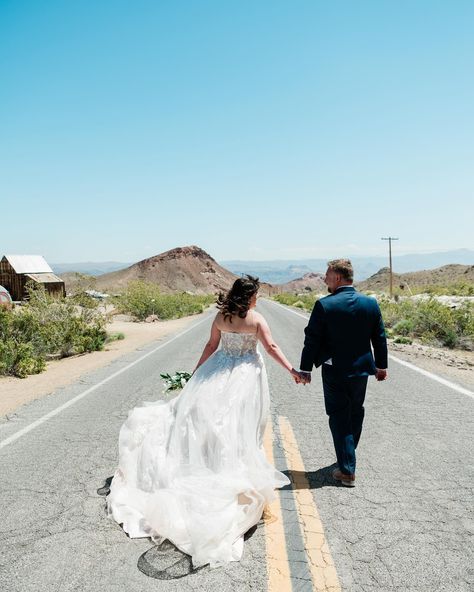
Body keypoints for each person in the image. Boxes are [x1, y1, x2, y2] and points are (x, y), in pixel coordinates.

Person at [106, 275, 299, 568]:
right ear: (250, 297)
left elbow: (211, 346)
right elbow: (270, 347)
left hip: (218, 371)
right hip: (246, 375)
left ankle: (211, 462)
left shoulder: (222, 316)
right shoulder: (256, 319)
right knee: (239, 425)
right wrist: (292, 370)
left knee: (211, 422)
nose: (257, 299)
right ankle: (231, 469)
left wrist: (196, 375)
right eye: (256, 295)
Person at [297, 259, 388, 487]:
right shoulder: (370, 304)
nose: (324, 279)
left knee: (338, 416)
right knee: (355, 412)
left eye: (327, 275)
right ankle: (349, 454)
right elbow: (379, 337)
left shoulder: (325, 305)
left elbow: (312, 340)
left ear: (337, 277)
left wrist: (305, 369)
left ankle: (347, 470)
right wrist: (381, 366)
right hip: (362, 371)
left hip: (334, 370)